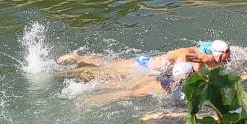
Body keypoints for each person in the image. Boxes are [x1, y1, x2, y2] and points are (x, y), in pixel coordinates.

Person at [57, 40, 234, 82]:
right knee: (104, 71)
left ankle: (77, 59)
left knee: (108, 64)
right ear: (214, 54)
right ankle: (66, 70)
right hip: (143, 66)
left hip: (149, 66)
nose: (224, 62)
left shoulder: (210, 57)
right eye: (222, 59)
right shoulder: (192, 53)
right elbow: (184, 55)